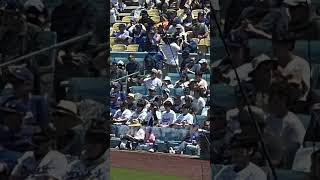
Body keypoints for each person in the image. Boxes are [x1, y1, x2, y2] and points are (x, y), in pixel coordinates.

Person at [265, 80, 306, 168]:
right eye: (270, 100)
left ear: (284, 101)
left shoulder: (293, 124)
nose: (271, 104)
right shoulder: (268, 119)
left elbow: (293, 153)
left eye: (275, 101)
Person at [0, 66, 53, 133]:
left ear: (28, 84)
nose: (14, 86)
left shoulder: (38, 102)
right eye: (12, 83)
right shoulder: (7, 102)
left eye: (17, 83)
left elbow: (43, 128)